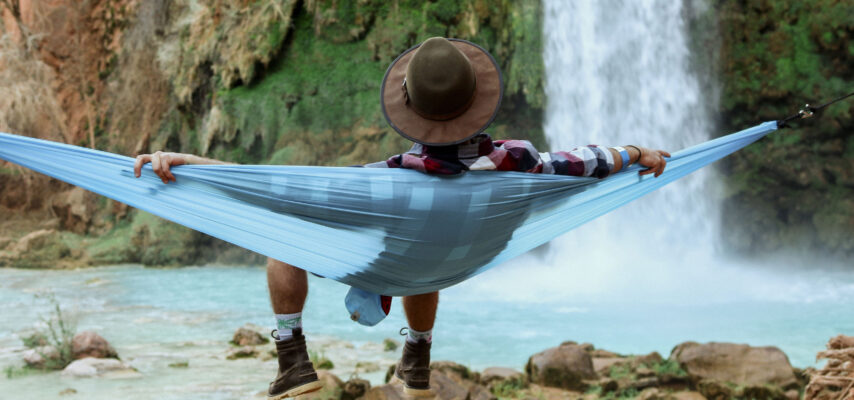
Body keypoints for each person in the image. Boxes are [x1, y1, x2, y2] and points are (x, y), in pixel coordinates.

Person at [134, 37, 669, 399]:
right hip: (451, 265)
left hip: (398, 259)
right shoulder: (525, 163)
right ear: (479, 103)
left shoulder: (385, 181)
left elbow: (274, 190)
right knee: (425, 257)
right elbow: (587, 161)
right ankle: (417, 357)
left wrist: (193, 167)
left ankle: (293, 356)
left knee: (284, 236)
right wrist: (633, 151)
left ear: (410, 111)